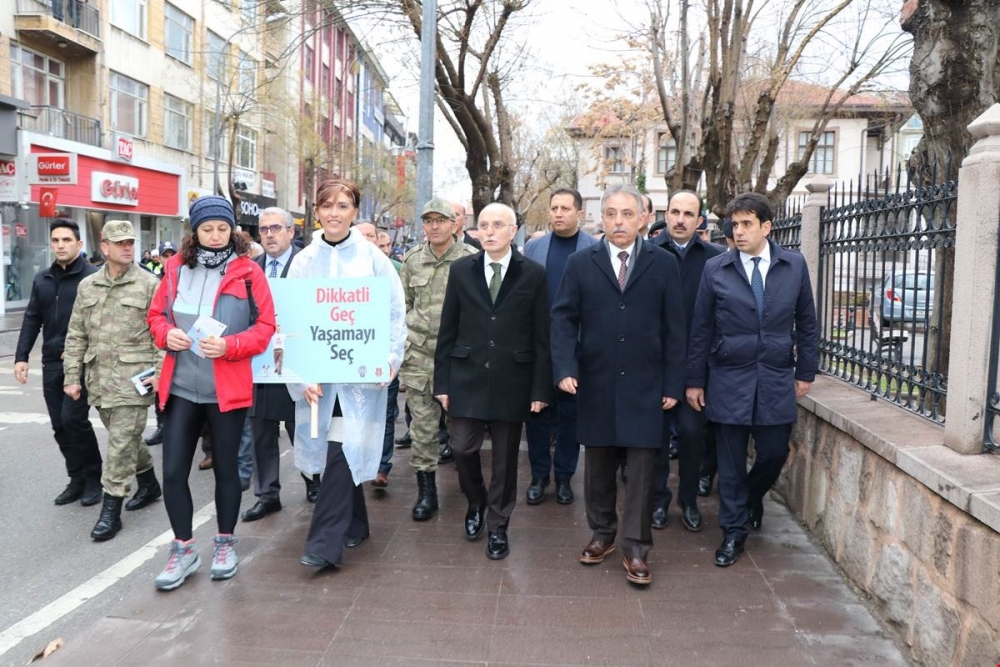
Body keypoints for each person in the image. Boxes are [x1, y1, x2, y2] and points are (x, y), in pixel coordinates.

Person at [551, 184, 686, 586]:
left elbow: (675, 328)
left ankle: (636, 547)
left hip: (647, 383)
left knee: (644, 468)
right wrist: (564, 367)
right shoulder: (581, 262)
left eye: (627, 214)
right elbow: (562, 319)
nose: (619, 222)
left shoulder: (663, 264)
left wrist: (673, 383)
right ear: (602, 218)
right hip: (594, 380)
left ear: (643, 218)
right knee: (599, 465)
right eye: (611, 214)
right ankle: (602, 533)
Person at [147, 195, 276, 589]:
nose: (216, 236)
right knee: (172, 472)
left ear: (232, 230)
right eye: (208, 229)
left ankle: (224, 543)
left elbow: (266, 326)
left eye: (223, 228)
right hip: (182, 388)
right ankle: (183, 548)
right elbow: (155, 317)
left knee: (227, 471)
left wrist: (231, 346)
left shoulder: (249, 272)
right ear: (195, 231)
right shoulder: (173, 269)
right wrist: (166, 335)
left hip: (226, 391)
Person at [686, 192, 818, 567]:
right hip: (728, 377)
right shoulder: (717, 269)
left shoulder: (793, 265)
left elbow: (806, 321)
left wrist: (806, 370)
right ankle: (733, 533)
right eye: (734, 224)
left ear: (766, 227)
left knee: (774, 453)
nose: (738, 231)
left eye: (746, 224)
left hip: (775, 377)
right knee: (728, 463)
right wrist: (695, 380)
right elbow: (701, 328)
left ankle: (750, 497)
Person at [292, 178, 405, 568]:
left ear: (355, 212)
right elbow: (289, 320)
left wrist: (389, 359)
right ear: (317, 211)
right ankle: (356, 524)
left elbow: (393, 312)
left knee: (342, 450)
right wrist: (301, 375)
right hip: (319, 380)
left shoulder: (374, 259)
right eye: (327, 205)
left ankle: (323, 544)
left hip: (358, 379)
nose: (334, 213)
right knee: (333, 451)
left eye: (342, 206)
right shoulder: (304, 261)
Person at [435, 203, 552, 559]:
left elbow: (541, 335)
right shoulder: (461, 270)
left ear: (513, 229)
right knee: (462, 448)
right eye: (482, 225)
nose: (488, 231)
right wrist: (442, 383)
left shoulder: (533, 273)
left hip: (513, 380)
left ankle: (498, 527)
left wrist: (540, 388)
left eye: (497, 225)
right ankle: (476, 501)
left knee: (504, 461)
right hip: (466, 375)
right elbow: (448, 329)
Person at [62, 219, 163, 541]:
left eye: (130, 242)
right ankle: (148, 483)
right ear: (104, 247)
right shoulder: (87, 287)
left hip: (135, 380)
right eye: (119, 243)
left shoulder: (150, 285)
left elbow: (163, 335)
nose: (127, 247)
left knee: (119, 445)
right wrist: (71, 376)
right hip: (100, 380)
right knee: (128, 439)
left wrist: (161, 374)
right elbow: (76, 334)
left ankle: (111, 509)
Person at [398, 197, 477, 521]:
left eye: (440, 220)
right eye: (428, 221)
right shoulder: (413, 260)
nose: (434, 226)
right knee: (423, 431)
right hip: (419, 359)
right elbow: (401, 306)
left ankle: (472, 489)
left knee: (463, 434)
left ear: (454, 224)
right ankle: (426, 493)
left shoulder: (472, 260)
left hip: (459, 359)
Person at [14, 219, 102, 506]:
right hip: (52, 363)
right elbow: (31, 319)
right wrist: (21, 357)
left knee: (73, 419)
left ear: (79, 244)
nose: (60, 245)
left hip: (81, 363)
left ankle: (93, 479)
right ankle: (75, 479)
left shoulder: (93, 278)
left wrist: (84, 351)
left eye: (66, 240)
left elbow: (102, 323)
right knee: (59, 425)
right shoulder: (42, 279)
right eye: (55, 240)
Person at [651, 191, 723, 532]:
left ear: (699, 221)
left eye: (688, 214)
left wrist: (701, 375)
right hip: (652, 368)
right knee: (655, 441)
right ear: (666, 216)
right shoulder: (646, 255)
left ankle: (689, 500)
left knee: (693, 437)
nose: (680, 219)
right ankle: (658, 501)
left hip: (696, 370)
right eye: (675, 212)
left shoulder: (715, 259)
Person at [522, 188, 597, 505]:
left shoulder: (595, 248)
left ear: (579, 213)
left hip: (579, 345)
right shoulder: (534, 247)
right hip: (540, 344)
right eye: (554, 207)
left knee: (571, 416)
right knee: (537, 414)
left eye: (566, 208)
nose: (558, 213)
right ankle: (539, 476)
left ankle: (565, 477)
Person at [242, 207, 300, 522]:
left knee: (299, 428)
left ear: (291, 232)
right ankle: (267, 494)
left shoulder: (306, 264)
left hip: (297, 359)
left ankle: (313, 480)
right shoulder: (250, 268)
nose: (269, 234)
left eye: (276, 228)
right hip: (260, 361)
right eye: (264, 229)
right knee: (261, 429)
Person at [144, 240, 178, 447]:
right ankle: (162, 427)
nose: (168, 259)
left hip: (179, 345)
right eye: (165, 256)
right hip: (158, 343)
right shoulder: (154, 281)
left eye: (171, 255)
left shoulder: (184, 278)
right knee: (159, 391)